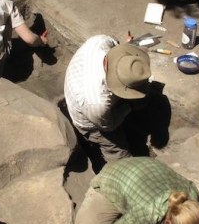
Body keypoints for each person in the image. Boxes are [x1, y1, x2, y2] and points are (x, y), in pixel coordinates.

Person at [64, 35, 151, 164]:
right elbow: (108, 126)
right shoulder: (97, 103)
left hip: (82, 92)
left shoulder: (100, 42)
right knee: (119, 153)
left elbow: (115, 43)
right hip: (90, 122)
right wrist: (129, 107)